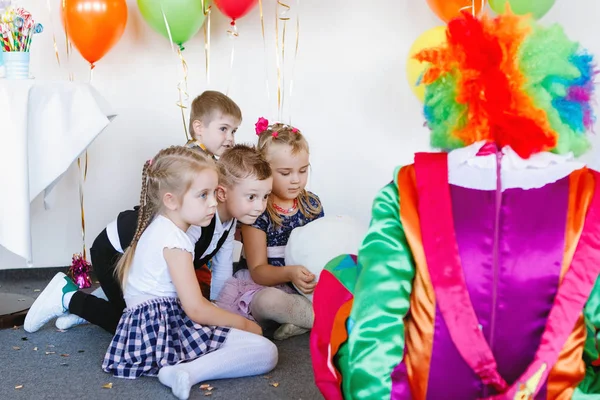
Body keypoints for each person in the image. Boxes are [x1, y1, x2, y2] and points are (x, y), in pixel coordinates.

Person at [310, 10, 600, 400]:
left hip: (429, 389)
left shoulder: (408, 186)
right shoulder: (590, 195)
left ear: (456, 102)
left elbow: (375, 326)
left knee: (340, 277)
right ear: (559, 104)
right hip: (555, 390)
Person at [24, 145, 273, 334]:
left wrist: (221, 313)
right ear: (222, 192)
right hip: (113, 253)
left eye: (265, 197)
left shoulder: (221, 221)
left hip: (147, 271)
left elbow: (220, 270)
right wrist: (212, 317)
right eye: (252, 197)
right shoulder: (194, 221)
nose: (261, 206)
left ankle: (103, 298)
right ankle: (69, 297)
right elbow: (176, 291)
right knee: (130, 326)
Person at [99, 146, 276, 400]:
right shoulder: (176, 241)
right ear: (171, 200)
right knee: (265, 351)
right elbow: (195, 309)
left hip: (146, 331)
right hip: (164, 329)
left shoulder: (163, 228)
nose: (214, 202)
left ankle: (184, 370)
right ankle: (187, 372)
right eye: (203, 195)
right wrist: (246, 324)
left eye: (214, 193)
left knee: (249, 343)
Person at [216, 119, 324, 340]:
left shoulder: (312, 204)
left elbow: (321, 248)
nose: (296, 180)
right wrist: (289, 273)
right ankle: (325, 319)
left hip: (305, 287)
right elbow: (258, 270)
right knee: (269, 301)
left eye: (303, 171)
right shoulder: (257, 211)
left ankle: (299, 318)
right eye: (285, 173)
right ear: (265, 170)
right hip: (266, 285)